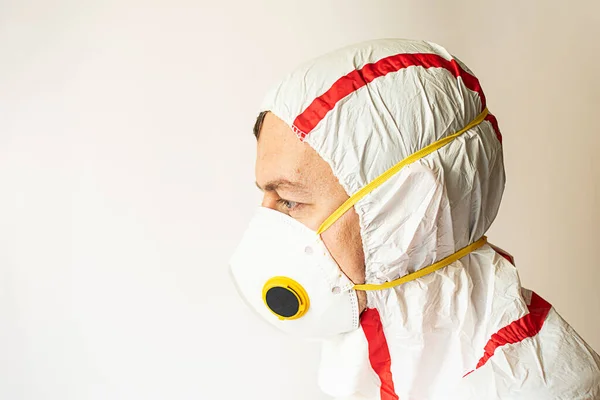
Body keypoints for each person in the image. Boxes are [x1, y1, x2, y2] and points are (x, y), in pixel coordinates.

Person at [229, 39, 600, 400]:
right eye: (267, 196)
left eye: (289, 201)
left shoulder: (533, 388)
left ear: (405, 210)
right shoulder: (391, 363)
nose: (268, 226)